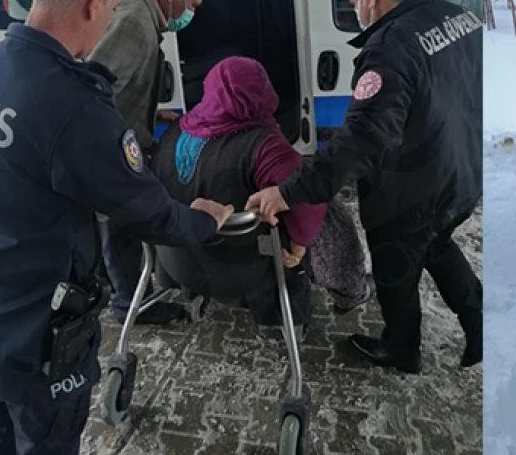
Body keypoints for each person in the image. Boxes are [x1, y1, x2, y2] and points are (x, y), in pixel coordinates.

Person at [0, 0, 233, 455]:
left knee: (3, 421)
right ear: (97, 1)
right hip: (34, 335)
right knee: (44, 437)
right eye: (114, 5)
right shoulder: (74, 108)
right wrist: (206, 219)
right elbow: (149, 215)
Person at [246, 0, 483, 375]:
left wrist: (289, 192)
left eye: (353, 0)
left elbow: (362, 142)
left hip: (410, 188)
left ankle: (401, 349)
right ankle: (480, 325)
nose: (355, 9)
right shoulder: (458, 17)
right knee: (439, 244)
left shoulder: (390, 50)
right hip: (460, 169)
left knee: (396, 268)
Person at [149, 56, 375, 331]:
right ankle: (350, 289)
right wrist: (300, 244)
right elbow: (307, 201)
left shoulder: (172, 132)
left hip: (179, 264)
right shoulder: (267, 148)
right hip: (245, 273)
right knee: (331, 212)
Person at [88, 0, 213, 325]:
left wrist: (148, 109)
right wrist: (121, 137)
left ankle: (111, 288)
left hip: (114, 135)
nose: (190, 15)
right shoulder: (136, 23)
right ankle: (130, 306)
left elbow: (117, 81)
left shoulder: (135, 4)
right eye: (190, 5)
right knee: (123, 225)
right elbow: (95, 90)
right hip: (109, 146)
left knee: (110, 224)